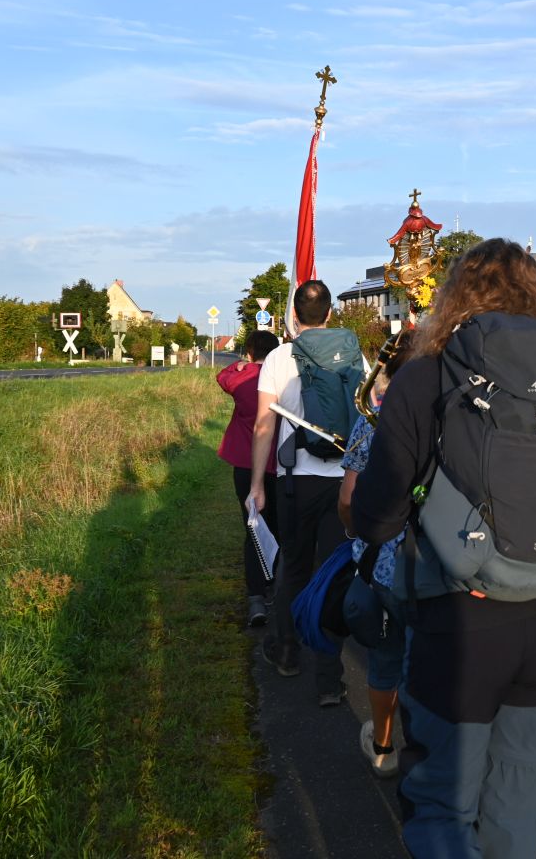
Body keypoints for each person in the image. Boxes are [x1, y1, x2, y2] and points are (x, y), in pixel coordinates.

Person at [350, 238, 536, 859]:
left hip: (460, 620)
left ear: (456, 296)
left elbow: (376, 516)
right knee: (518, 798)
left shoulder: (427, 376)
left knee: (444, 802)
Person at [249, 279, 367, 707]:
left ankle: (285, 652)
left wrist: (257, 484)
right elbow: (367, 414)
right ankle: (329, 682)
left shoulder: (279, 357)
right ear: (331, 312)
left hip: (295, 479)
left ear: (294, 317)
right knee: (334, 573)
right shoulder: (353, 353)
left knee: (294, 568)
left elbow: (264, 424)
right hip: (342, 479)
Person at [337, 334, 413, 779]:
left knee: (385, 658)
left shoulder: (372, 419)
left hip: (382, 564)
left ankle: (384, 748)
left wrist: (356, 534)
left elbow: (348, 498)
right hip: (437, 564)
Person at [217, 329, 283, 626]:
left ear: (249, 353)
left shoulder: (243, 379)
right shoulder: (281, 379)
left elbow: (222, 377)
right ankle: (276, 586)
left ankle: (256, 596)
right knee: (279, 527)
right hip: (280, 464)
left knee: (253, 528)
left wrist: (241, 365)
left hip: (246, 464)